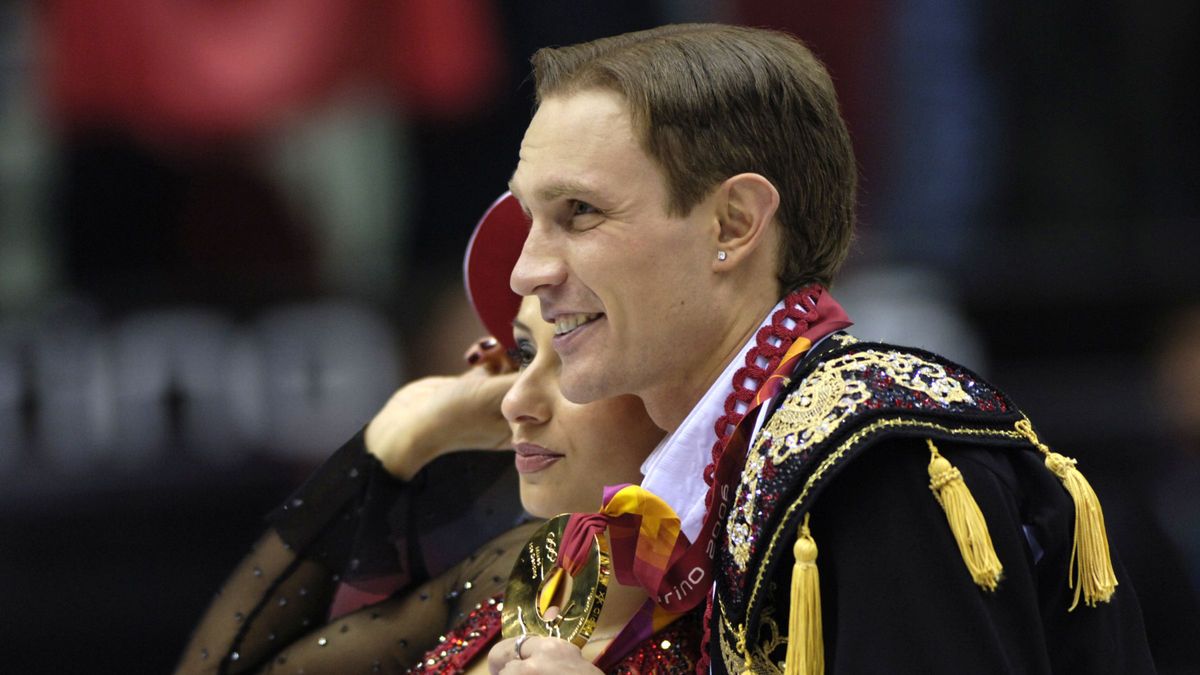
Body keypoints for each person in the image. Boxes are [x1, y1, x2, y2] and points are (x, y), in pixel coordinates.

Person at [486, 23, 1156, 674]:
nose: (526, 270)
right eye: (530, 218)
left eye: (579, 211)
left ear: (735, 222)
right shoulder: (715, 473)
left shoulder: (874, 464)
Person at [175, 195, 703, 674]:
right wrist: (396, 441)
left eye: (569, 350)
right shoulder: (523, 572)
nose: (515, 399)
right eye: (522, 354)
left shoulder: (752, 594)